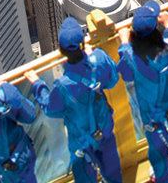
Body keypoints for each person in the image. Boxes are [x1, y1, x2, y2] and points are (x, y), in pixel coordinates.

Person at [25, 17, 122, 183]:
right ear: (83, 44)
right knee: (114, 177)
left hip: (81, 144)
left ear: (62, 51)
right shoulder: (99, 59)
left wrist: (37, 83)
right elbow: (112, 80)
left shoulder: (62, 85)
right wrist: (93, 56)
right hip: (104, 133)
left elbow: (50, 108)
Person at [117, 1, 168, 183]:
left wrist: (124, 43)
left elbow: (126, 75)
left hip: (152, 112)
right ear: (155, 29)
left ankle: (163, 178)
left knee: (158, 149)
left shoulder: (132, 57)